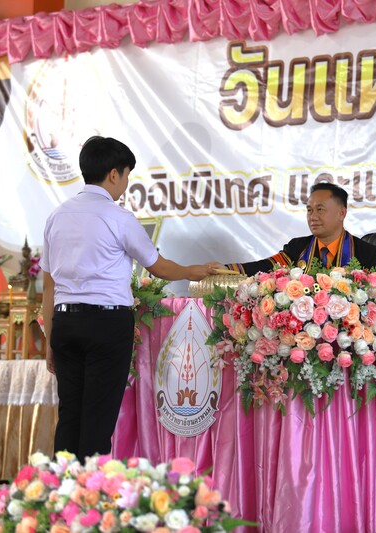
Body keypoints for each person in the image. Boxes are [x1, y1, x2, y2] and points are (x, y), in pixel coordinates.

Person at [41, 136, 221, 462]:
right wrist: (193, 271)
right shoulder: (119, 217)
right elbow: (159, 266)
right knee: (97, 417)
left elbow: (49, 285)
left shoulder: (57, 216)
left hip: (65, 322)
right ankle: (90, 490)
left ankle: (60, 487)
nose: (125, 184)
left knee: (70, 414)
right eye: (126, 176)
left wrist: (50, 339)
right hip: (106, 324)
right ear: (114, 174)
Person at [225, 183, 376, 275]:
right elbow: (266, 267)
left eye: (320, 209)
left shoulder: (367, 253)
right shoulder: (297, 248)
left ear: (342, 213)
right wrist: (226, 269)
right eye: (309, 210)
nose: (313, 217)